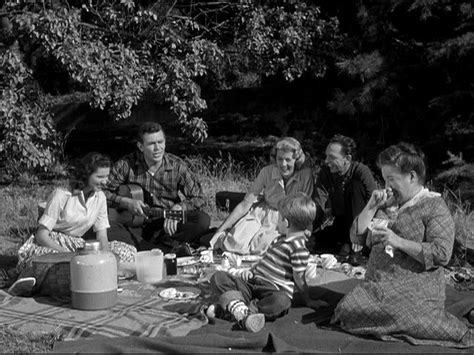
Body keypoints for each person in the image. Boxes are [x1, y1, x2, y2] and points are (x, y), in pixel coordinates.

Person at [332, 143, 474, 347]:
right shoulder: (387, 203)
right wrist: (371, 206)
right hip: (379, 284)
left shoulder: (434, 206)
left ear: (412, 177)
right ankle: (393, 323)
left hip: (415, 285)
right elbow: (356, 237)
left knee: (403, 313)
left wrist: (398, 241)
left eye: (391, 179)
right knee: (347, 309)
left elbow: (442, 253)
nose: (386, 185)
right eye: (384, 178)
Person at [0, 152, 136, 295]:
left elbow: (102, 235)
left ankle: (65, 279)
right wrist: (67, 254)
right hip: (51, 242)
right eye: (100, 177)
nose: (105, 181)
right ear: (86, 175)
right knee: (49, 261)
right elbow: (42, 235)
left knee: (127, 252)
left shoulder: (100, 197)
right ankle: (24, 279)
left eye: (107, 176)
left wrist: (108, 259)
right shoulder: (62, 195)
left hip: (76, 244)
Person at [205, 192, 329, 332]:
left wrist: (308, 300)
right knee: (219, 277)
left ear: (286, 223)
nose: (276, 222)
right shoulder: (279, 239)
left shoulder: (299, 249)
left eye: (279, 218)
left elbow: (299, 278)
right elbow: (266, 261)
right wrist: (250, 272)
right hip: (253, 282)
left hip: (272, 290)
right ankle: (238, 309)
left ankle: (242, 309)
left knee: (282, 302)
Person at [104, 121, 210, 254]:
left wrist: (178, 208)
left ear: (165, 143)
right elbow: (101, 192)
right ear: (140, 146)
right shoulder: (126, 165)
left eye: (160, 142)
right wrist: (125, 202)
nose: (157, 148)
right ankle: (165, 250)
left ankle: (150, 247)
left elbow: (199, 197)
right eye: (151, 144)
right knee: (105, 227)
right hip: (135, 224)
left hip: (166, 223)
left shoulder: (176, 165)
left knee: (202, 220)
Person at [209, 137, 314, 255]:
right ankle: (220, 236)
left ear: (296, 160)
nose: (283, 164)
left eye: (288, 160)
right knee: (235, 244)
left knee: (265, 247)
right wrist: (220, 229)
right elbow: (245, 203)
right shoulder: (266, 172)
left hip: (288, 218)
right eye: (280, 159)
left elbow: (305, 207)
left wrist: (306, 230)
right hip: (262, 213)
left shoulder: (305, 175)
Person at [312, 134, 377, 257]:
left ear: (347, 159)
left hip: (360, 222)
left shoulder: (361, 171)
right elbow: (318, 203)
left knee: (355, 187)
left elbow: (374, 204)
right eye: (326, 156)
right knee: (317, 242)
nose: (327, 161)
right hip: (341, 221)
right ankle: (344, 243)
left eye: (332, 157)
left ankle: (356, 246)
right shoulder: (326, 173)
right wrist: (308, 229)